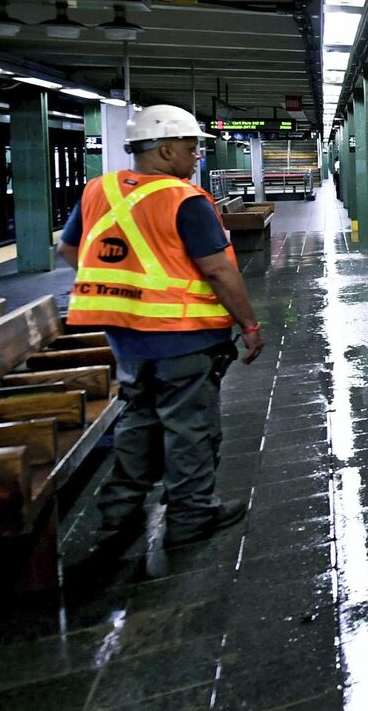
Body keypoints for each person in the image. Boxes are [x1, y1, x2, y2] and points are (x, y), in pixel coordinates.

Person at [58, 104, 266, 551]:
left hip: (127, 338)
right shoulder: (182, 198)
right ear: (166, 149)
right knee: (188, 425)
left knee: (138, 418)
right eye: (192, 149)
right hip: (183, 335)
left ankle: (118, 515)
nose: (197, 159)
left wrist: (122, 288)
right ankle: (191, 516)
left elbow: (68, 250)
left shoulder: (100, 190)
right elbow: (219, 270)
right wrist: (249, 323)